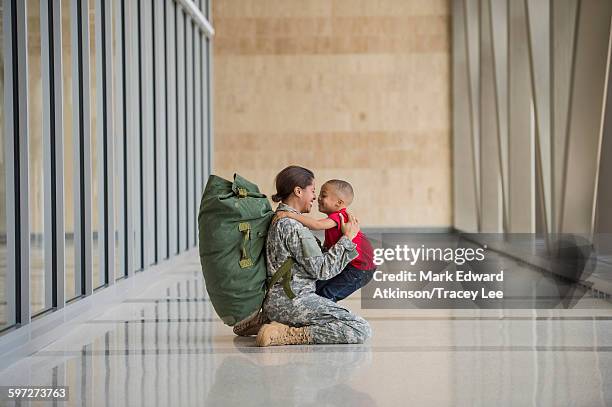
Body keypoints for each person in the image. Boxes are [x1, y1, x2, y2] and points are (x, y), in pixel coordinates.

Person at [255, 166, 372, 347]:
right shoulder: (292, 226)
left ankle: (275, 324)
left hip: (281, 300)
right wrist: (347, 239)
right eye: (313, 191)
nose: (315, 197)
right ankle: (289, 334)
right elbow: (323, 271)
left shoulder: (280, 219)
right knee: (359, 328)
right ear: (298, 191)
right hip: (293, 302)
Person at [275, 179, 376, 302]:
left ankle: (323, 315)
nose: (318, 198)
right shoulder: (334, 220)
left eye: (324, 195)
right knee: (318, 289)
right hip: (352, 265)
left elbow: (316, 225)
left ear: (339, 203)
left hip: (360, 269)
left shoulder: (339, 217)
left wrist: (290, 215)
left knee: (328, 294)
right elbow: (328, 246)